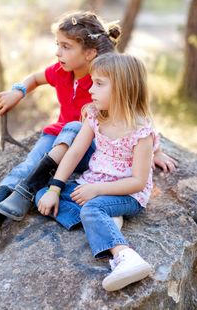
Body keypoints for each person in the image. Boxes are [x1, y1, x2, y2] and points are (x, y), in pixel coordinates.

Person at [0, 11, 175, 251]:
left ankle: (91, 213)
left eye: (66, 47)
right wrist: (18, 91)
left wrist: (155, 151)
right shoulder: (61, 72)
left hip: (88, 148)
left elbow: (135, 113)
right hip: (59, 140)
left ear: (90, 53)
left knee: (73, 127)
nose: (57, 52)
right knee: (28, 168)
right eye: (58, 45)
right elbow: (34, 78)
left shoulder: (106, 80)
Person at [35, 52, 160, 292]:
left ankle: (125, 255)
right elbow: (73, 153)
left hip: (127, 194)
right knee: (41, 195)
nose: (91, 89)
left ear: (124, 88)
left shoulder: (140, 133)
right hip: (93, 183)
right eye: (92, 82)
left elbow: (138, 181)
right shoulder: (95, 116)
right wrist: (54, 187)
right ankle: (103, 222)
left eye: (99, 84)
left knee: (92, 207)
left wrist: (97, 190)